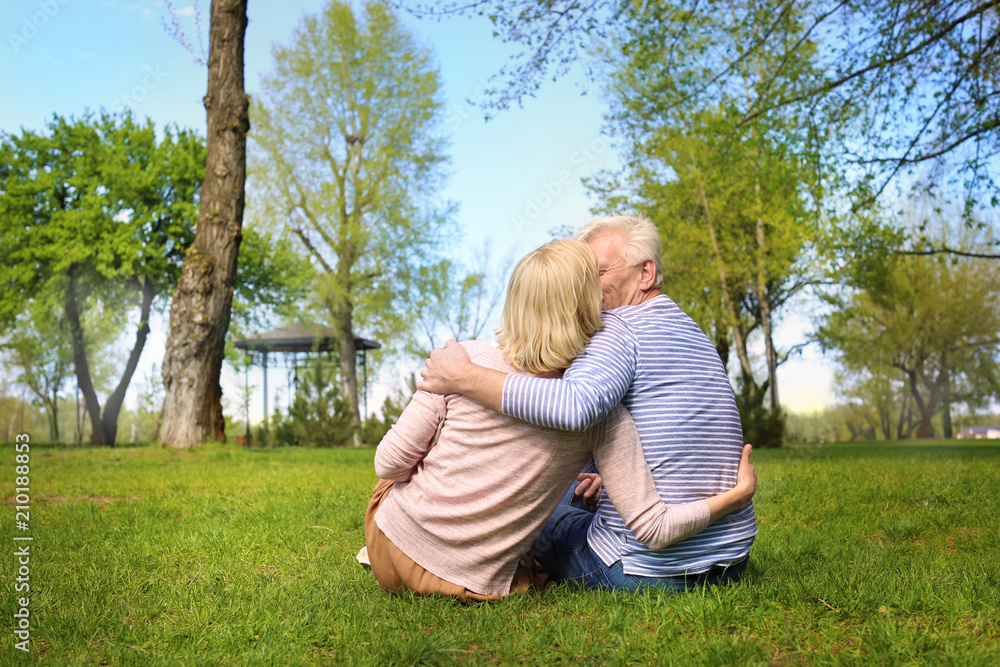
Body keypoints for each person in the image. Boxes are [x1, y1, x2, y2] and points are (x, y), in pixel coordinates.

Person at [366, 239, 756, 601]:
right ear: (589, 307)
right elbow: (654, 528)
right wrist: (735, 497)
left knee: (399, 473)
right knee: (549, 502)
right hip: (467, 584)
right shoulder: (604, 417)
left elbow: (389, 464)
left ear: (515, 299)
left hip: (388, 550)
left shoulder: (461, 361)